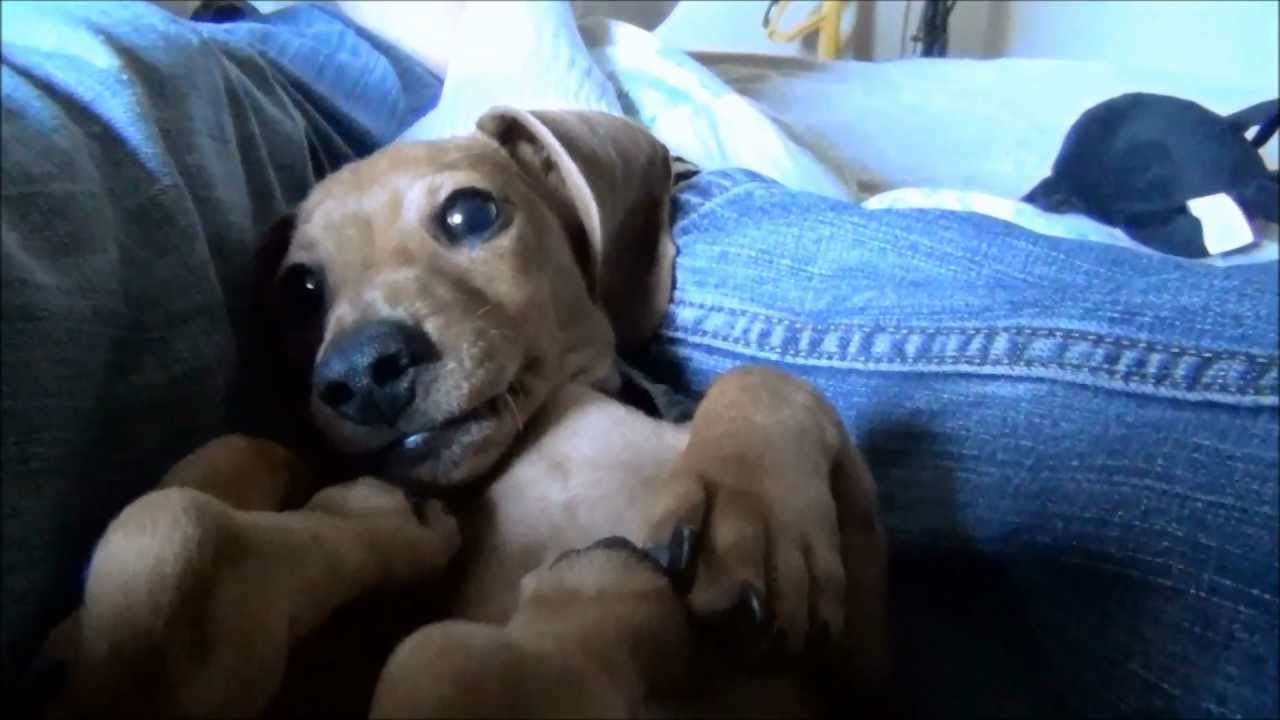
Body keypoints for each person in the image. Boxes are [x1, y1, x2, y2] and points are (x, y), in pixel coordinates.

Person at [2, 3, 1275, 717]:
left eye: (465, 218)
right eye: (307, 302)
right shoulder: (338, 488)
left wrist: (766, 412)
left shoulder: (684, 375)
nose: (357, 349)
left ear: (582, 215)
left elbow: (859, 658)